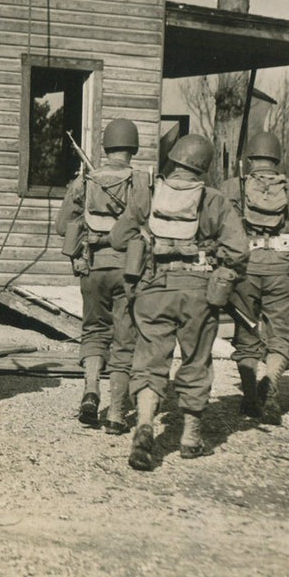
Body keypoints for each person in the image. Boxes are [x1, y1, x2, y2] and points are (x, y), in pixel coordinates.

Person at [109, 133, 248, 472]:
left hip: (153, 289)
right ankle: (189, 437)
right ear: (203, 166)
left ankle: (144, 425)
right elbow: (239, 251)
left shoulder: (147, 194)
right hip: (199, 291)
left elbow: (116, 238)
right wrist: (211, 253)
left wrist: (146, 239)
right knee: (196, 360)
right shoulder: (214, 200)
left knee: (149, 359)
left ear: (172, 159)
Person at [220, 131, 289, 425]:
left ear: (250, 160)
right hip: (284, 270)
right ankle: (270, 379)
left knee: (245, 334)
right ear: (277, 160)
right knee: (281, 334)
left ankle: (250, 399)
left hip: (243, 269)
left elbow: (214, 226)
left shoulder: (233, 187)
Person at [54, 118, 149, 433]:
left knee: (94, 331)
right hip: (129, 269)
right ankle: (117, 414)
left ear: (106, 146)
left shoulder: (85, 181)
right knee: (125, 339)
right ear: (132, 147)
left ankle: (90, 391)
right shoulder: (140, 180)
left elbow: (61, 227)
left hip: (92, 265)